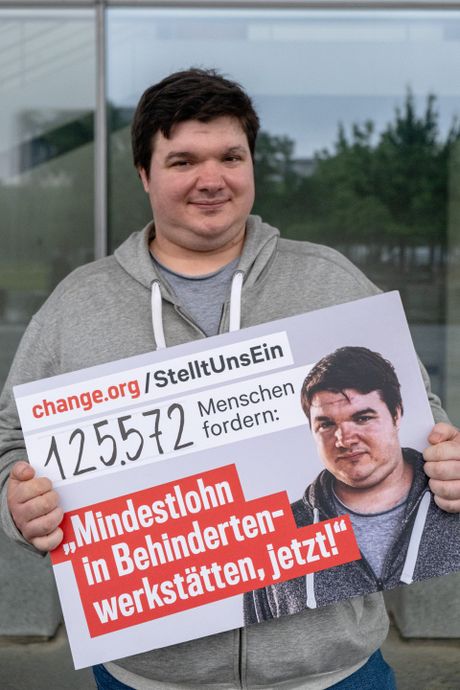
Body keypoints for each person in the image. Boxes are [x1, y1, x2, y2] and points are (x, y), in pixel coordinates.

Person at [1, 67, 460, 690]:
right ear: (144, 174)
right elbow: (12, 443)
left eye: (230, 157)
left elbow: (423, 414)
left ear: (252, 165)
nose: (211, 179)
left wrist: (444, 463)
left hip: (333, 672)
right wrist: (18, 505)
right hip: (148, 675)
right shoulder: (78, 304)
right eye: (183, 160)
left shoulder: (330, 281)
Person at [244, 346, 460, 622]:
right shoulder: (276, 537)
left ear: (396, 414)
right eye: (326, 424)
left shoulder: (451, 496)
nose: (345, 439)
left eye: (362, 418)